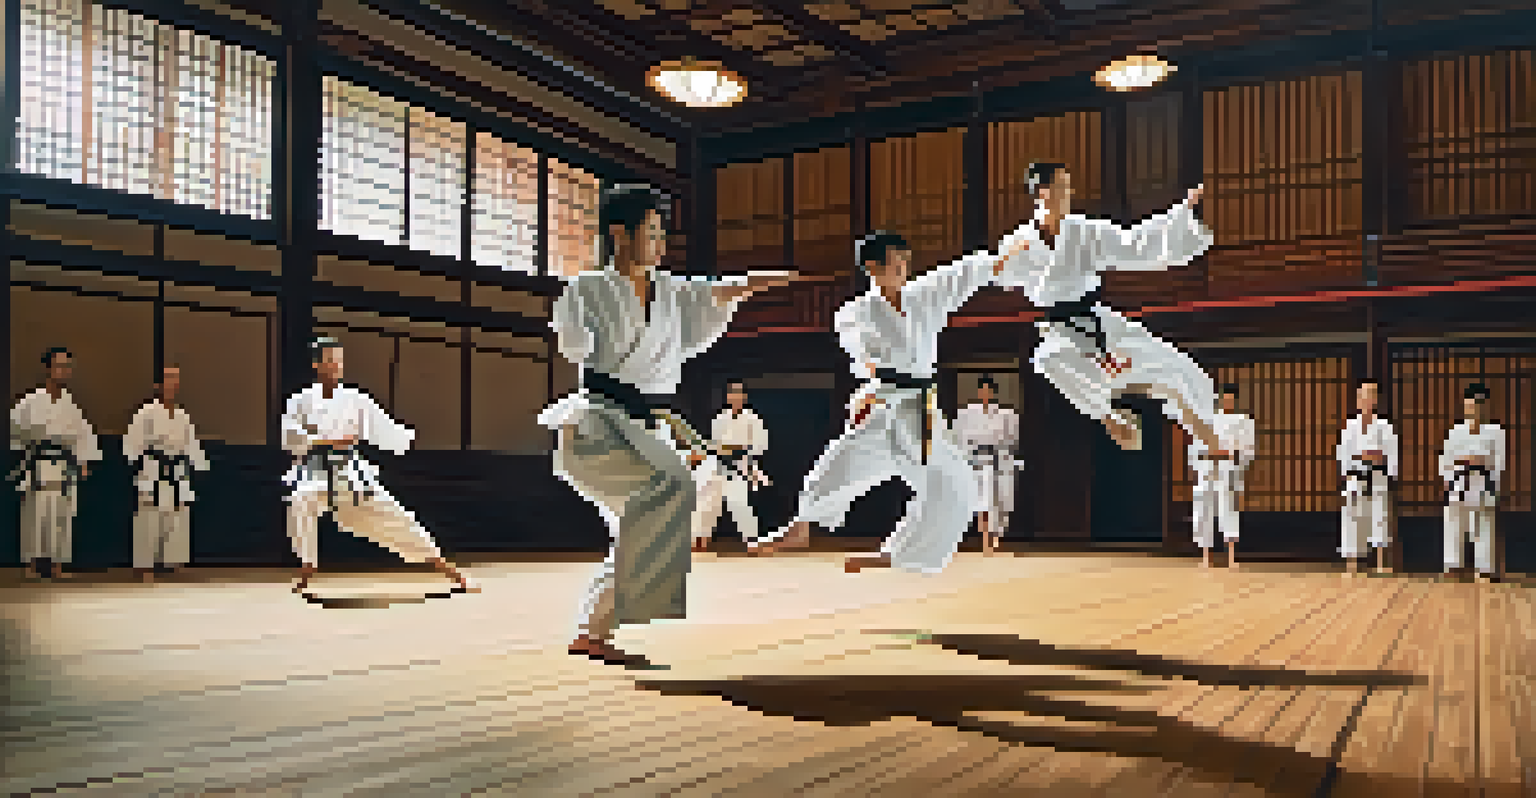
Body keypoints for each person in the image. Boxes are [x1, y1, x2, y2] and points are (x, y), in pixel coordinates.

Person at [541, 183, 803, 667]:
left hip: (648, 429)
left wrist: (753, 283)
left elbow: (718, 292)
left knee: (647, 523)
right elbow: (573, 345)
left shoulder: (672, 291)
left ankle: (591, 630)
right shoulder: (588, 289)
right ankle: (607, 621)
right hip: (599, 424)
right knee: (673, 489)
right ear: (619, 233)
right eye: (652, 232)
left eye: (664, 235)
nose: (661, 244)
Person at [749, 229, 1037, 574]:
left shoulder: (924, 294)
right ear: (872, 267)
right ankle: (800, 528)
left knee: (952, 480)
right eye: (895, 261)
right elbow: (860, 347)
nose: (903, 267)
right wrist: (871, 378)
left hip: (919, 407)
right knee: (842, 459)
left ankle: (899, 553)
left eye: (905, 260)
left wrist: (1003, 258)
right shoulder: (855, 312)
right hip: (884, 400)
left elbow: (963, 273)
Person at [996, 162, 1227, 459]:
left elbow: (1133, 243)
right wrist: (1000, 262)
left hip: (1099, 321)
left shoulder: (1084, 231)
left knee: (1170, 365)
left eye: (1068, 187)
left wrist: (1179, 216)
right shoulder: (1019, 242)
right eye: (1063, 187)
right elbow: (998, 275)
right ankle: (1110, 417)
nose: (1069, 194)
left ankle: (1200, 428)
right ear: (1043, 192)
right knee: (1046, 359)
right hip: (1059, 330)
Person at [281, 337, 475, 595]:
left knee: (396, 516)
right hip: (315, 468)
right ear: (317, 364)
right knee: (300, 499)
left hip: (349, 470)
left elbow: (381, 425)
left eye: (338, 360)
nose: (335, 365)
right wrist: (325, 440)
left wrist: (405, 437)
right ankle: (308, 565)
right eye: (329, 360)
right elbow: (290, 433)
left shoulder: (355, 399)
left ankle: (446, 568)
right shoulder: (300, 401)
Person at [10, 347, 100, 580]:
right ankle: (31, 565)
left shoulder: (71, 406)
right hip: (39, 463)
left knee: (61, 515)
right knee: (35, 514)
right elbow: (15, 431)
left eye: (67, 367)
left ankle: (57, 565)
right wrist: (26, 451)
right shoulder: (30, 401)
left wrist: (83, 461)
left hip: (63, 465)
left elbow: (82, 435)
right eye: (59, 366)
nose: (64, 371)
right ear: (48, 368)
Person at [123, 365, 210, 583]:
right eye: (169, 379)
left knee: (177, 515)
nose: (173, 384)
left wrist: (198, 465)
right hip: (153, 467)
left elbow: (191, 444)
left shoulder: (182, 415)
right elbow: (132, 444)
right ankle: (145, 565)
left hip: (177, 469)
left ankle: (174, 562)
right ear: (158, 385)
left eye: (176, 379)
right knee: (150, 516)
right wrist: (139, 461)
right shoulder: (145, 413)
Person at [692, 379, 770, 552]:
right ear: (728, 396)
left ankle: (752, 542)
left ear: (744, 396)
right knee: (707, 501)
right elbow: (714, 443)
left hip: (740, 462)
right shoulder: (720, 418)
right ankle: (700, 540)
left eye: (739, 393)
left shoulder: (753, 418)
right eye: (732, 393)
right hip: (718, 463)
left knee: (739, 501)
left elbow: (760, 445)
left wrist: (745, 456)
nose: (736, 397)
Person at [1439, 383, 1505, 582]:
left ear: (1485, 406)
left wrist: (1482, 463)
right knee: (1453, 523)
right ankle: (1452, 564)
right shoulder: (1455, 431)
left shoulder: (1495, 431)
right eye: (1470, 406)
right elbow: (1446, 459)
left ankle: (1484, 567)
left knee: (1483, 524)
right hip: (1459, 481)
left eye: (1478, 405)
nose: (1473, 410)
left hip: (1483, 481)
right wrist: (1447, 479)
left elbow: (1499, 461)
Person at [1335, 378, 1398, 576]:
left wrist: (1382, 465)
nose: (1367, 399)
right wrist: (1347, 474)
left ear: (1376, 400)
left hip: (1377, 476)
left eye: (1371, 394)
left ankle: (1380, 563)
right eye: (1363, 395)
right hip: (1355, 477)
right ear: (1358, 399)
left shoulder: (1384, 426)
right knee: (1352, 518)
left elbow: (1390, 454)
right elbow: (1343, 453)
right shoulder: (1350, 426)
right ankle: (1351, 564)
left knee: (1379, 518)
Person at [1190, 383, 1257, 569]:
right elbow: (1195, 449)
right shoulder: (1206, 420)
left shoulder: (1243, 420)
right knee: (1204, 510)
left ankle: (1231, 556)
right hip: (1207, 469)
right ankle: (1205, 556)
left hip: (1228, 469)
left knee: (1229, 509)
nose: (1226, 402)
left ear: (1234, 401)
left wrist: (1231, 455)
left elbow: (1248, 450)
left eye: (1230, 399)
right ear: (1219, 399)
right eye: (1224, 398)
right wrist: (1207, 455)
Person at [954, 375, 1021, 554]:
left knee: (999, 502)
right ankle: (985, 541)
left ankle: (995, 537)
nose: (985, 394)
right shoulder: (966, 413)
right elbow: (959, 439)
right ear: (978, 392)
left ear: (993, 393)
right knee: (982, 502)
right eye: (982, 390)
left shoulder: (1005, 414)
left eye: (988, 390)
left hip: (998, 459)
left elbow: (1012, 439)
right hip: (976, 460)